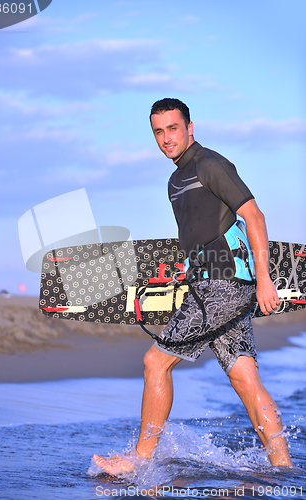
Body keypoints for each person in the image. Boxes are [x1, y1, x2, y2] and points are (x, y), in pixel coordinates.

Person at [93, 98, 292, 473]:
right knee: (244, 376)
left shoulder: (210, 164)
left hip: (224, 286)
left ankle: (138, 461)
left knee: (156, 363)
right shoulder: (175, 181)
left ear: (189, 127)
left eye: (173, 128)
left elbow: (253, 216)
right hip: (212, 282)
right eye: (158, 131)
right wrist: (190, 266)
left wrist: (265, 281)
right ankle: (283, 467)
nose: (166, 138)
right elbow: (208, 232)